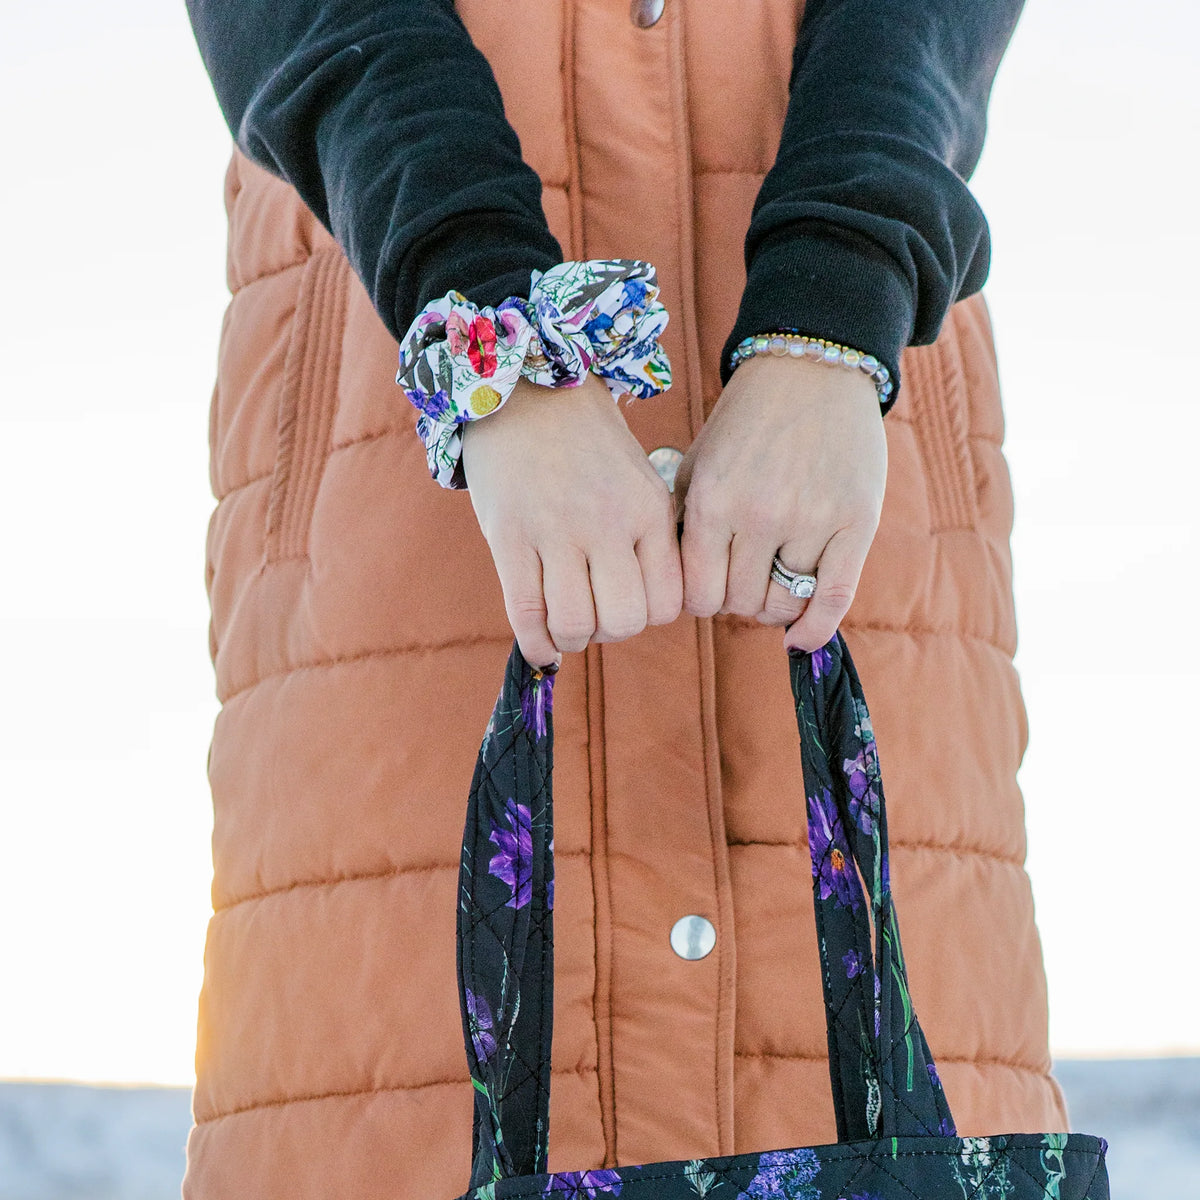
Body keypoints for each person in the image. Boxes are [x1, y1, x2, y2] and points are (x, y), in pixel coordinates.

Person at [183, 1, 1067, 1196]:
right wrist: (486, 317)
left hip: (852, 461)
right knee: (386, 1113)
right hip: (401, 483)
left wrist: (844, 283)